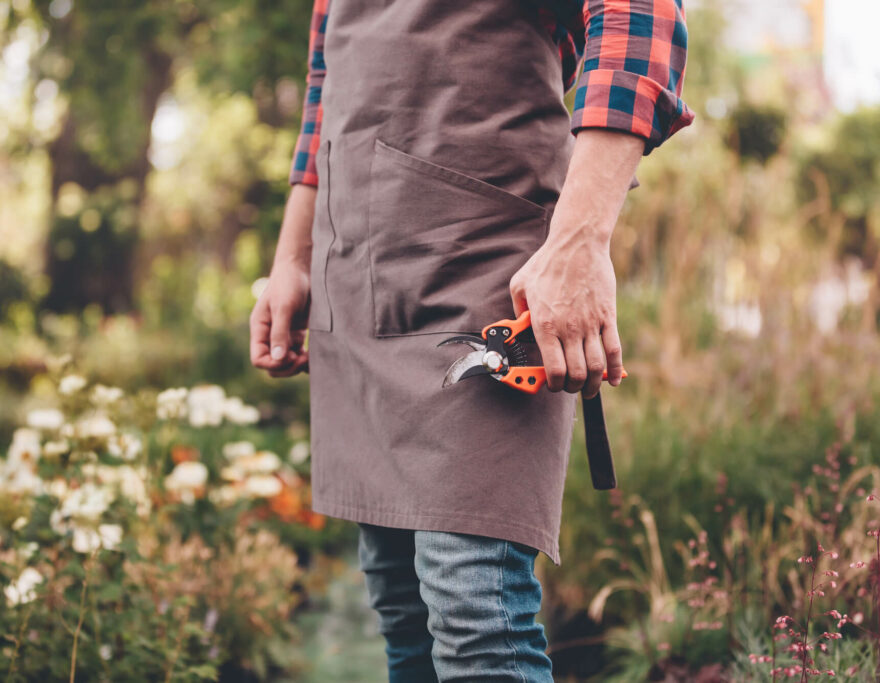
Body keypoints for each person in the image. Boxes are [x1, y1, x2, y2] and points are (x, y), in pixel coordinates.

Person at [250, 0, 693, 679]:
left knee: (475, 619)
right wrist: (294, 258)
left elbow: (638, 20)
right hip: (361, 276)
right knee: (405, 617)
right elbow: (325, 84)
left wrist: (579, 242)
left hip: (485, 266)